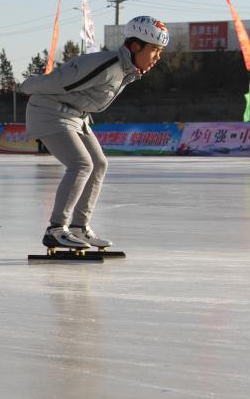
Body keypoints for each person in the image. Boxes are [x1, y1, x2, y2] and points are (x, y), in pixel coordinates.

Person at [21, 15, 168, 251]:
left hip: (75, 116)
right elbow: (61, 80)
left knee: (99, 164)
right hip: (48, 111)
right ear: (135, 46)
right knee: (81, 164)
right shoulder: (107, 65)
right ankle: (56, 229)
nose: (157, 58)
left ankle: (79, 227)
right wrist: (27, 85)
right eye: (154, 50)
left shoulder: (126, 69)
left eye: (160, 52)